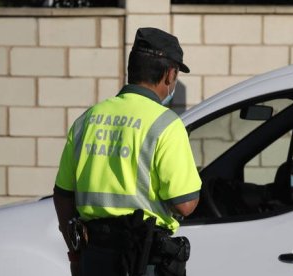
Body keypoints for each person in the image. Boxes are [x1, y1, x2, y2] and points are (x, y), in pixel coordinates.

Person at [53, 27, 202, 276]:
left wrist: (75, 252)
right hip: (144, 260)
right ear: (169, 74)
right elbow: (185, 204)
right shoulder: (166, 124)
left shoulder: (87, 120)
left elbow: (63, 195)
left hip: (95, 257)